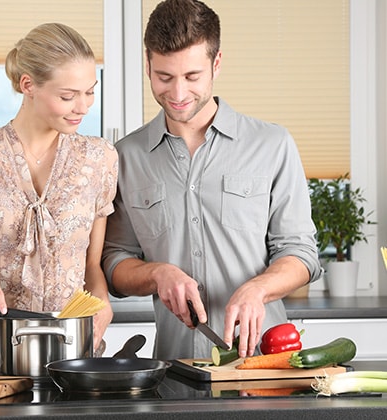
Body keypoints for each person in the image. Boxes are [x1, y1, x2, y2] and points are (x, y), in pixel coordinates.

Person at [102, 0, 322, 361]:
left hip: (264, 366)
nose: (177, 94)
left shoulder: (272, 144)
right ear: (147, 65)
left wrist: (259, 289)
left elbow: (301, 253)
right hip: (174, 371)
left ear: (216, 64)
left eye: (192, 77)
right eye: (164, 77)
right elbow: (115, 261)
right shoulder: (126, 156)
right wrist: (157, 273)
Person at [0, 23, 118, 369]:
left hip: (75, 359)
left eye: (90, 92)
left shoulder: (100, 158)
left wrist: (102, 302)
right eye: (68, 96)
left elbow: (92, 265)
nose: (83, 107)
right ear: (27, 85)